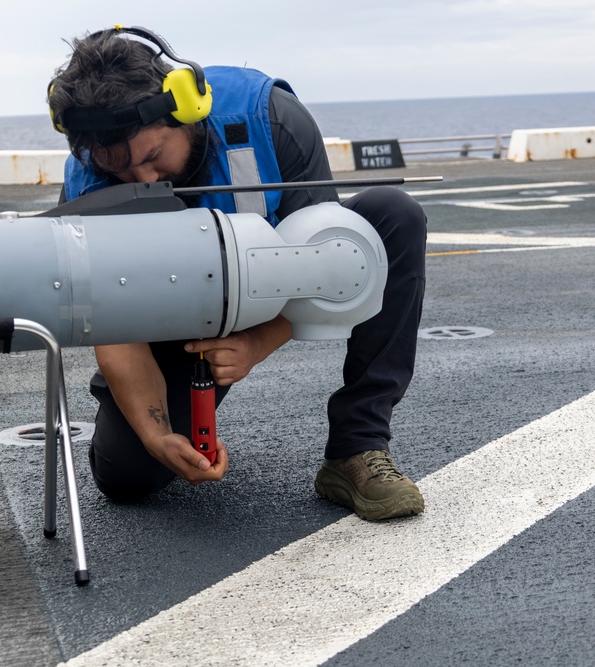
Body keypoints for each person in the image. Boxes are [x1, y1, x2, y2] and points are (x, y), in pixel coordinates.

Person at [47, 26, 427, 521]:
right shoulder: (85, 181)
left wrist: (257, 343)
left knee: (391, 216)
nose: (142, 180)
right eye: (120, 170)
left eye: (154, 157)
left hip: (272, 289)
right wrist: (156, 434)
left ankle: (357, 447)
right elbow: (112, 322)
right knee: (127, 478)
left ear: (187, 107)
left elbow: (327, 265)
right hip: (168, 320)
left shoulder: (268, 117)